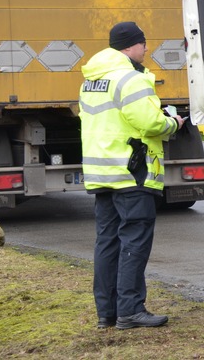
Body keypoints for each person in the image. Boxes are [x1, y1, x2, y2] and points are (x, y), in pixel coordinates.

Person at [79, 21, 184, 330]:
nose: (147, 48)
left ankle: (107, 314)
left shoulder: (91, 80)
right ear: (129, 47)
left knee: (107, 243)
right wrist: (173, 123)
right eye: (143, 43)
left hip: (102, 173)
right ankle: (131, 310)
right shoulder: (131, 79)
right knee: (134, 241)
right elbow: (150, 124)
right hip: (132, 172)